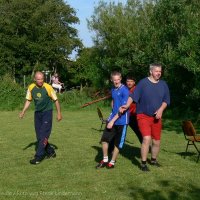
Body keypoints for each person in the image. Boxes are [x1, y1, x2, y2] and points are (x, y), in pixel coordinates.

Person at [120, 63, 170, 171]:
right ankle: (143, 163)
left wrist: (161, 110)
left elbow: (166, 100)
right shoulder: (143, 83)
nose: (159, 73)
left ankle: (153, 160)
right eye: (156, 71)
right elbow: (133, 96)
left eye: (160, 71)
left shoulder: (163, 84)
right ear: (151, 71)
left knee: (156, 141)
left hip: (157, 118)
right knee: (146, 138)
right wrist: (127, 105)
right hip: (143, 115)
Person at [19, 71, 62, 165]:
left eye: (42, 79)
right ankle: (51, 152)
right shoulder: (31, 87)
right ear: (35, 79)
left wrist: (59, 113)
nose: (40, 81)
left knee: (43, 135)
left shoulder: (48, 87)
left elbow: (56, 100)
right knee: (39, 137)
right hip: (37, 114)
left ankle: (38, 156)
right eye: (38, 79)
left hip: (47, 113)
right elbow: (28, 101)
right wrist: (23, 112)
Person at [96, 71, 129, 169]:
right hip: (113, 119)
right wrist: (112, 109)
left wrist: (112, 121)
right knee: (104, 140)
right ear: (111, 80)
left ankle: (112, 161)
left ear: (121, 79)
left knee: (117, 143)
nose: (116, 82)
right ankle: (105, 159)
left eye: (118, 79)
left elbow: (122, 109)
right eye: (114, 80)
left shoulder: (125, 90)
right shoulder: (113, 89)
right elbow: (114, 100)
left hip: (122, 121)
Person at [126, 75, 143, 144]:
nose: (129, 83)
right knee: (118, 130)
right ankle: (111, 147)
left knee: (139, 131)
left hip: (134, 115)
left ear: (134, 82)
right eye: (128, 81)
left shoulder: (136, 90)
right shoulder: (126, 90)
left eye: (131, 81)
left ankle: (146, 146)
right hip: (126, 114)